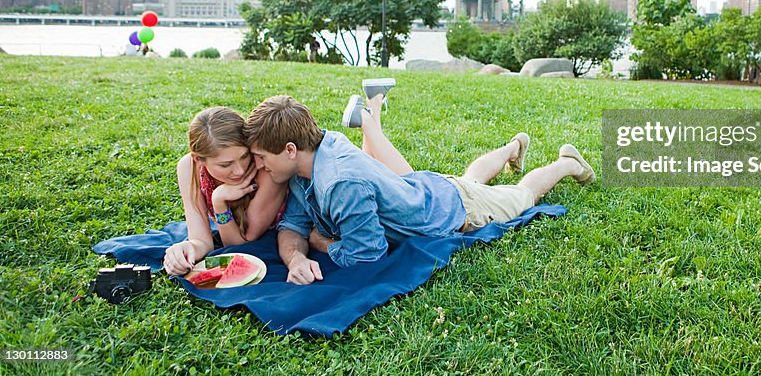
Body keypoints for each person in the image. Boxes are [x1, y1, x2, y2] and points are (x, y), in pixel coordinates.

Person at [243, 93, 595, 284]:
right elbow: (292, 225)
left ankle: (568, 164)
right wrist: (297, 256)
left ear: (290, 150)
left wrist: (320, 243)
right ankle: (512, 149)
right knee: (468, 180)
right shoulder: (313, 155)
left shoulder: (340, 183)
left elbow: (367, 256)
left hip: (456, 211)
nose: (259, 166)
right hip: (428, 189)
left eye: (261, 157)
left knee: (522, 196)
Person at [162, 107, 290, 276]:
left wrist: (219, 205)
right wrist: (187, 249)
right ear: (198, 159)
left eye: (244, 156)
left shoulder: (265, 168)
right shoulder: (189, 168)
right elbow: (201, 241)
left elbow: (239, 245)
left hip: (284, 232)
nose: (239, 171)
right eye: (225, 165)